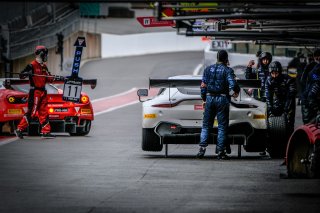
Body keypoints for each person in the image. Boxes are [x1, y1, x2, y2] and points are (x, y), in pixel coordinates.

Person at [197, 50, 239, 160]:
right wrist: (235, 91)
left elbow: (203, 86)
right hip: (222, 99)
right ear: (226, 58)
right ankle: (220, 152)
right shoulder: (227, 70)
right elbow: (233, 84)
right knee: (222, 126)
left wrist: (204, 99)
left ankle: (202, 149)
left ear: (217, 58)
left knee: (206, 125)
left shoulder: (207, 69)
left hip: (210, 98)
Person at [15, 45, 61, 139]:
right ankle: (19, 129)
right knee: (32, 112)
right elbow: (21, 76)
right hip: (35, 92)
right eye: (45, 54)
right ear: (41, 54)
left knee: (44, 112)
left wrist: (54, 78)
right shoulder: (31, 65)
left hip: (43, 92)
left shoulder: (44, 66)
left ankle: (45, 132)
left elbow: (49, 78)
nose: (46, 57)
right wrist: (26, 73)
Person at [265, 61, 297, 136]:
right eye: (273, 73)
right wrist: (270, 110)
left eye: (276, 73)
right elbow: (268, 97)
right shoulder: (269, 80)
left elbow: (291, 96)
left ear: (280, 72)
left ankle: (289, 143)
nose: (275, 75)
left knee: (289, 123)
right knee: (272, 122)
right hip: (278, 100)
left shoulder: (289, 79)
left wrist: (286, 110)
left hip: (289, 101)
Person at [301, 49, 320, 124]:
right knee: (308, 124)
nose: (318, 58)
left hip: (313, 98)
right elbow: (303, 81)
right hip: (308, 99)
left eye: (319, 56)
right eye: (316, 56)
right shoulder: (312, 67)